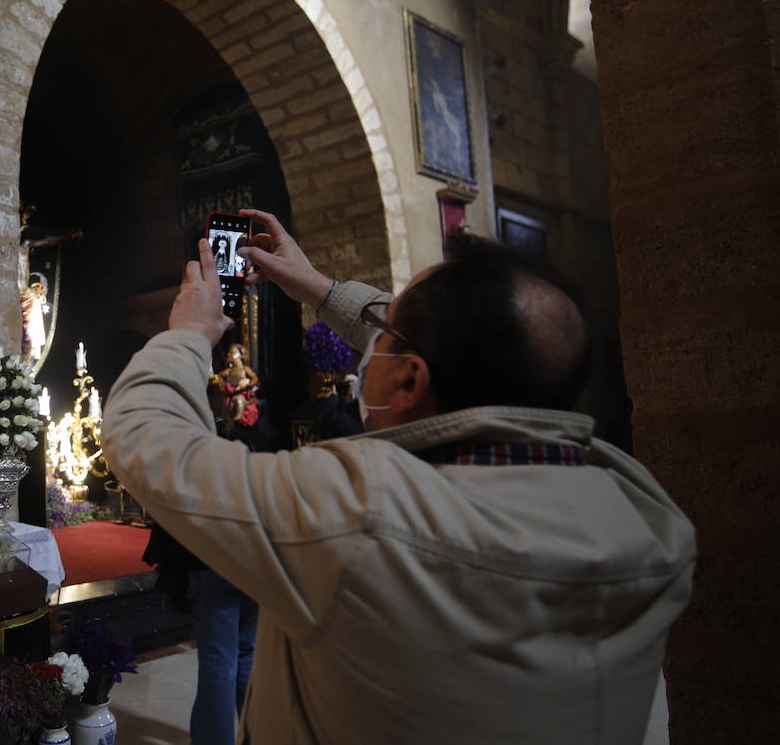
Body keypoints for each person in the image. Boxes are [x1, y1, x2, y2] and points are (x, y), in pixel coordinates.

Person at [101, 208, 695, 744]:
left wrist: (188, 335)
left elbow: (143, 436)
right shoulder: (641, 509)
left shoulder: (361, 510)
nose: (371, 342)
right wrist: (319, 289)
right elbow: (469, 346)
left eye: (384, 336)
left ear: (409, 382)